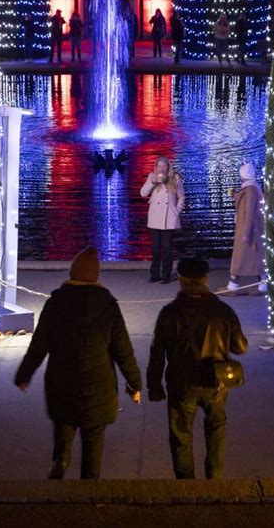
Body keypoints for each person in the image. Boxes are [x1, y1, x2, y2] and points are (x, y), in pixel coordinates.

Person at [14, 247, 142, 480]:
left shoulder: (56, 302)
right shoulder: (108, 305)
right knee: (93, 443)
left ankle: (60, 463)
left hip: (62, 382)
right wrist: (135, 384)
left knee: (63, 431)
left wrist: (24, 375)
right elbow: (123, 350)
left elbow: (39, 344)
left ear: (73, 273)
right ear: (95, 276)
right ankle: (88, 492)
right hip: (99, 388)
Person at [147, 257, 248, 480]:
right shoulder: (222, 311)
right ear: (205, 279)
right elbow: (240, 348)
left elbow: (157, 353)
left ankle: (186, 486)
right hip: (216, 381)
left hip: (181, 381)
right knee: (216, 430)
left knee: (181, 436)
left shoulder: (169, 312)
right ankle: (214, 480)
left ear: (181, 281)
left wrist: (154, 386)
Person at [140, 156, 185, 284]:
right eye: (159, 166)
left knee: (167, 248)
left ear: (168, 167)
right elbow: (143, 193)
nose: (161, 169)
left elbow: (181, 197)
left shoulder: (175, 178)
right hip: (155, 217)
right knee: (155, 248)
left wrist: (176, 211)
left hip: (168, 217)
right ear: (156, 167)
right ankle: (154, 274)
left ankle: (166, 275)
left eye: (164, 166)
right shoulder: (152, 176)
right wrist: (152, 182)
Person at [224, 163, 266, 294]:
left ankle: (233, 286)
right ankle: (262, 285)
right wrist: (235, 195)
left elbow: (249, 212)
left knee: (240, 258)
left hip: (248, 229)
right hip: (250, 229)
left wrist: (246, 233)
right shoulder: (250, 188)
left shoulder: (251, 190)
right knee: (256, 258)